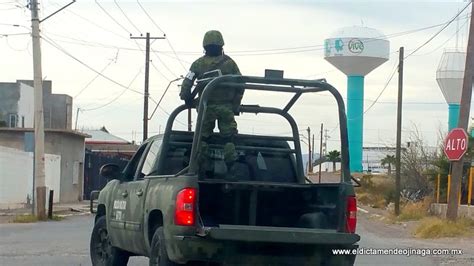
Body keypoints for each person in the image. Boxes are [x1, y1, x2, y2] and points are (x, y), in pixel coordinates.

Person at [179, 30, 244, 178]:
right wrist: (235, 104)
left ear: (205, 46)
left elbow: (187, 82)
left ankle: (202, 168)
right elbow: (241, 84)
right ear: (221, 45)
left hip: (205, 107)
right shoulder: (230, 64)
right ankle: (232, 167)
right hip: (226, 107)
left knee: (202, 139)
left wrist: (186, 98)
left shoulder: (198, 63)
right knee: (228, 139)